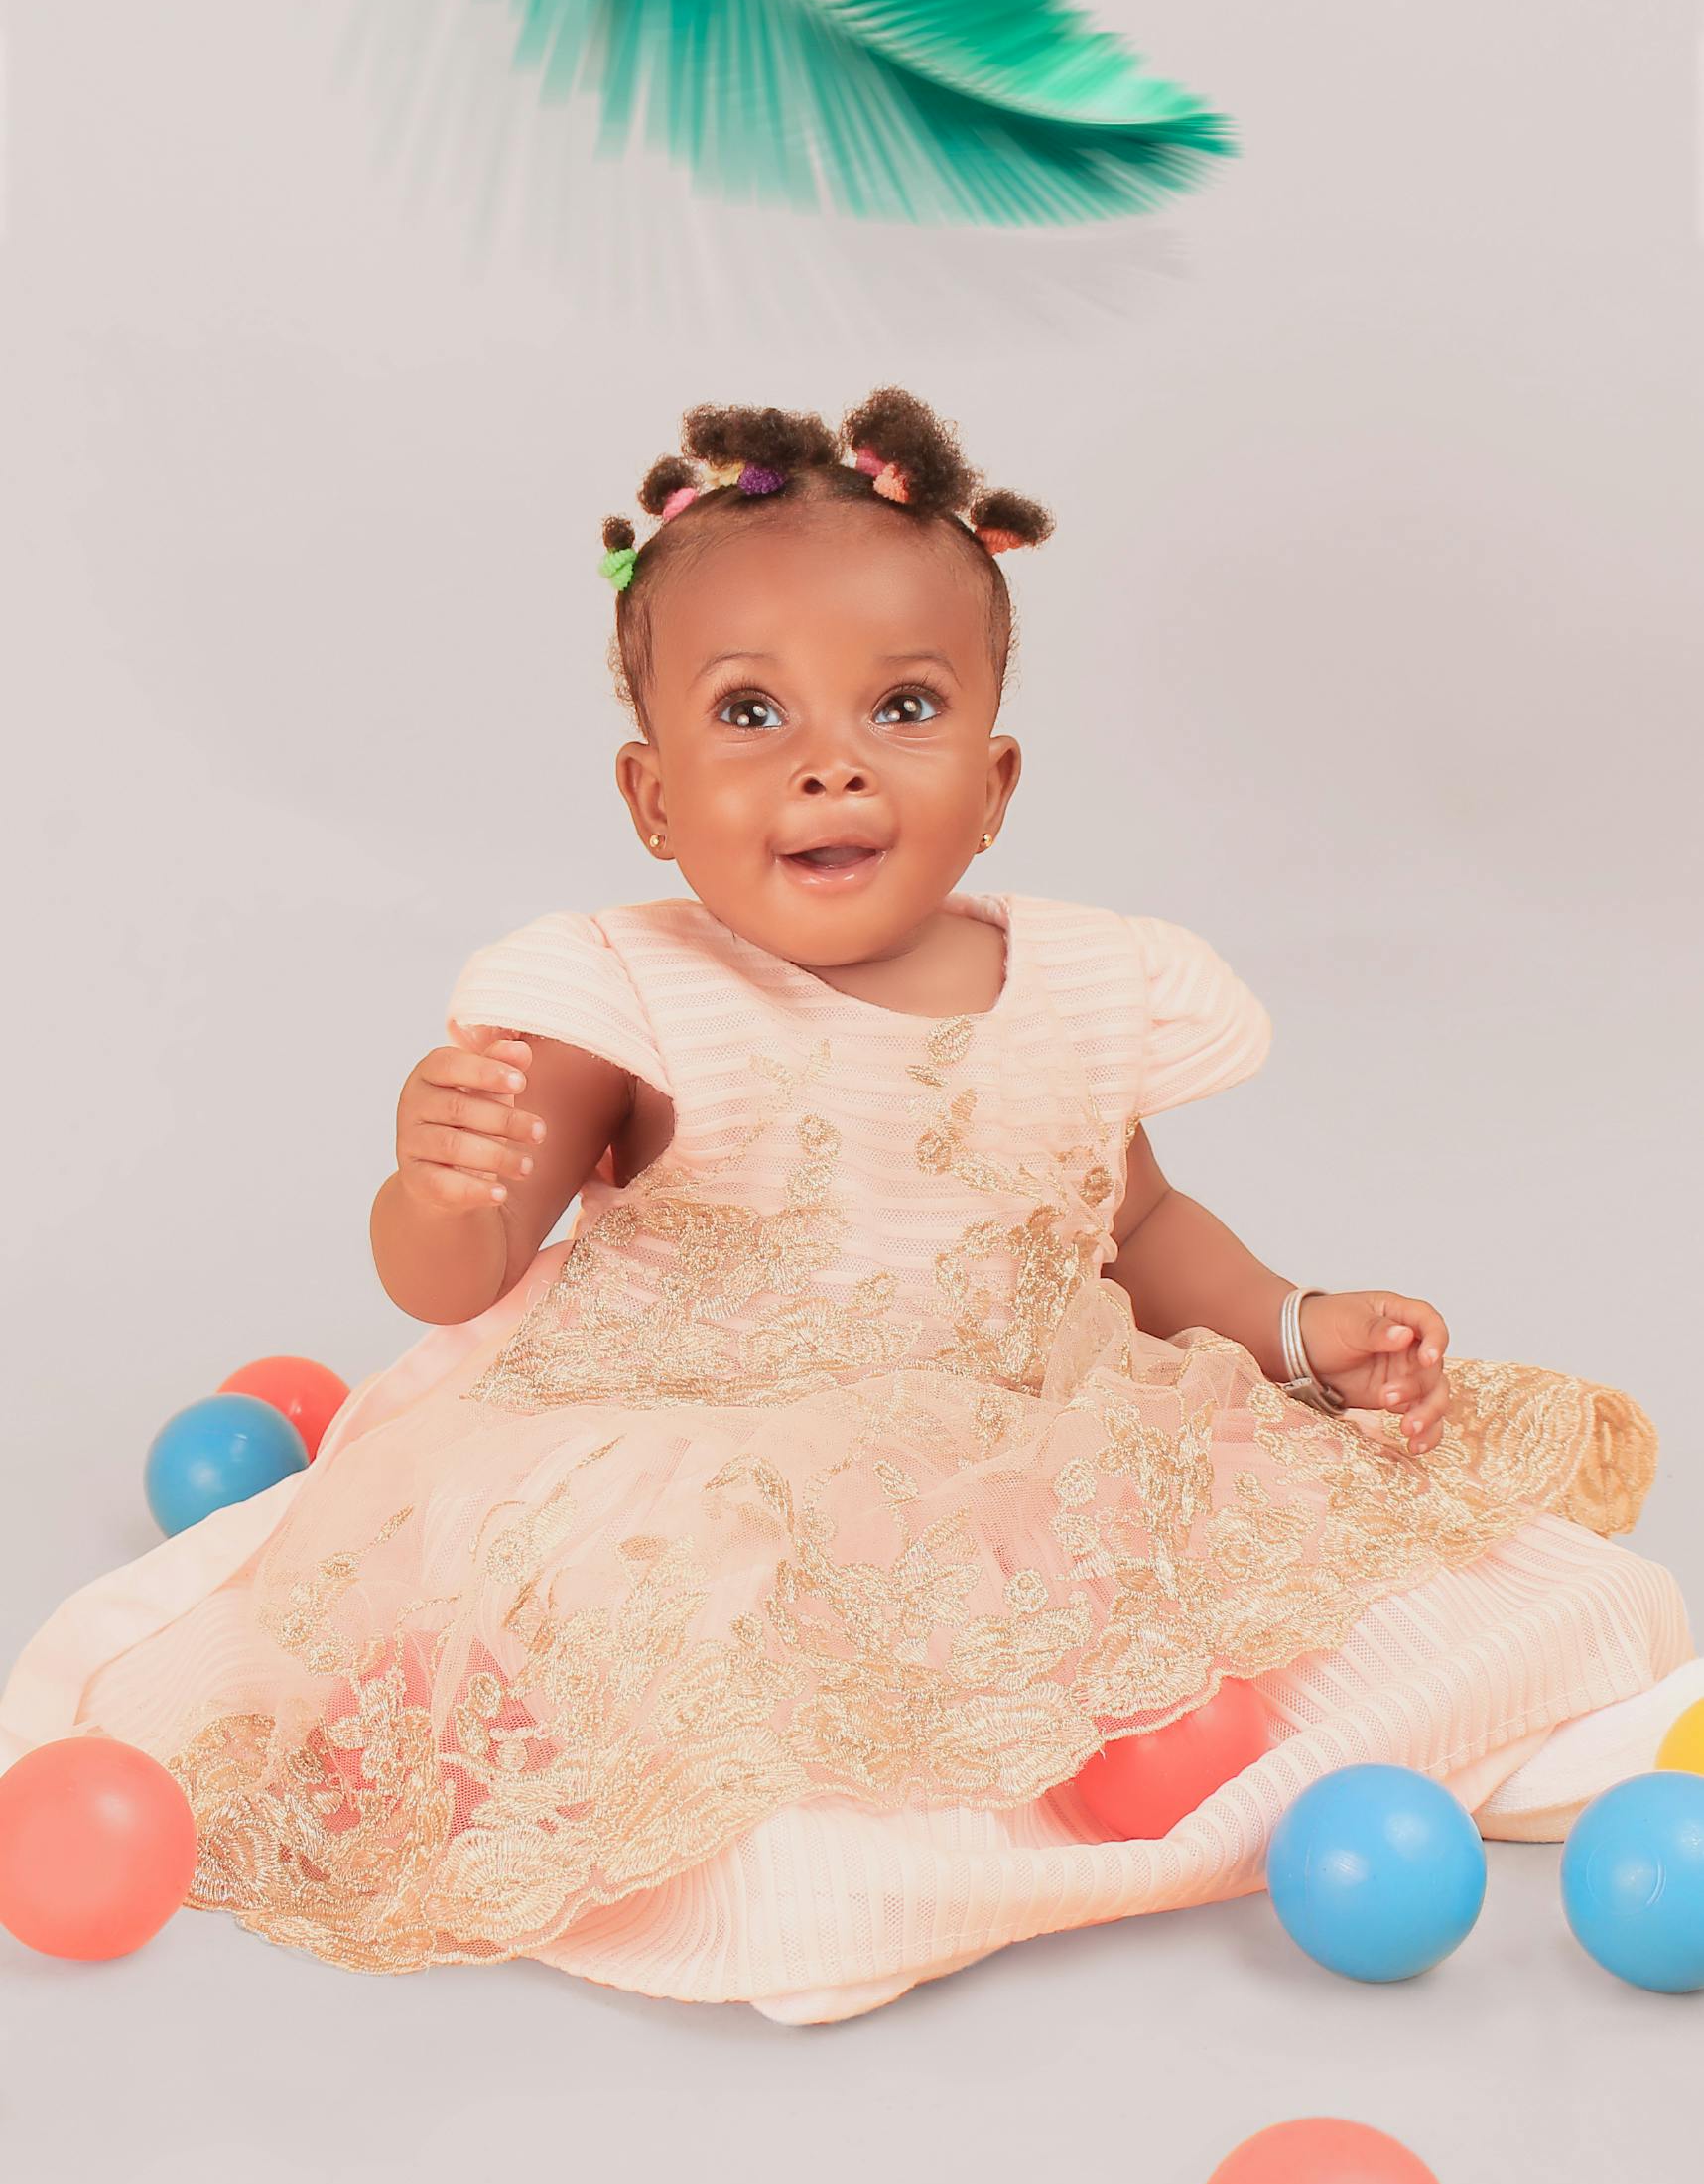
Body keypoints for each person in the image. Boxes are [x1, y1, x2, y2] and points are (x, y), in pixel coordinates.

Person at [2, 388, 1695, 2024]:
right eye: (752, 716)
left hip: (1021, 1438)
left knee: (1402, 1572)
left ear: (996, 775)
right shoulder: (624, 996)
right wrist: (433, 1183)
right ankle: (863, 1886)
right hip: (698, 1456)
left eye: (900, 710)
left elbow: (1133, 1228)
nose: (830, 770)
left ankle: (1494, 1727)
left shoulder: (1080, 986)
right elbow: (457, 1279)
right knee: (724, 1693)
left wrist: (1289, 1332)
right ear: (652, 796)